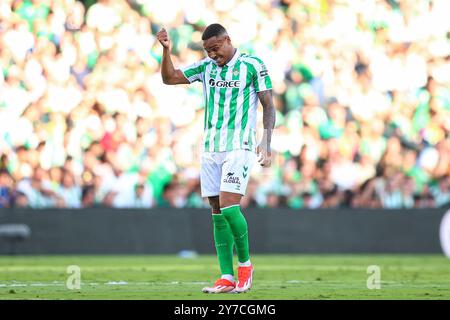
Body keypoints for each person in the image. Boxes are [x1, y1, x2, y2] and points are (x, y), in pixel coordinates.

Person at [157, 23, 275, 293]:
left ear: (227, 40)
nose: (212, 55)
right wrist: (166, 52)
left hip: (239, 146)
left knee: (229, 205)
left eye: (216, 48)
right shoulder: (205, 67)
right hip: (210, 148)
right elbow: (169, 78)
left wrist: (266, 141)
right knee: (216, 211)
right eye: (208, 50)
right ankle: (226, 276)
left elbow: (268, 105)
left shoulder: (252, 65)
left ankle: (245, 265)